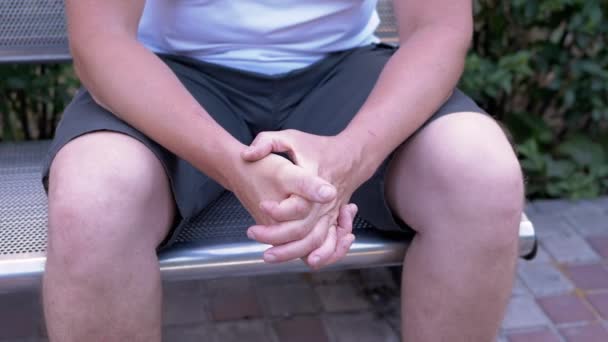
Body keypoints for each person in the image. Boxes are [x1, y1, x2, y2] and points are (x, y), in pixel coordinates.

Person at [41, 0, 523, 341]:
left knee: (480, 176)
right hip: (172, 77)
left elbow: (439, 27)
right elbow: (100, 36)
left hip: (344, 69)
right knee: (93, 200)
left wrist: (351, 155)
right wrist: (233, 164)